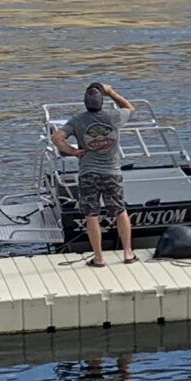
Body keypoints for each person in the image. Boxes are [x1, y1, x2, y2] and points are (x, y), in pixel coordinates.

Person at [52, 81, 136, 266]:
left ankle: (98, 258)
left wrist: (73, 152)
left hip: (88, 173)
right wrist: (111, 92)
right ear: (102, 102)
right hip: (111, 172)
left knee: (91, 214)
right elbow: (129, 107)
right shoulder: (114, 116)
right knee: (120, 211)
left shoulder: (77, 120)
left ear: (85, 102)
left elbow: (56, 138)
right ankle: (128, 253)